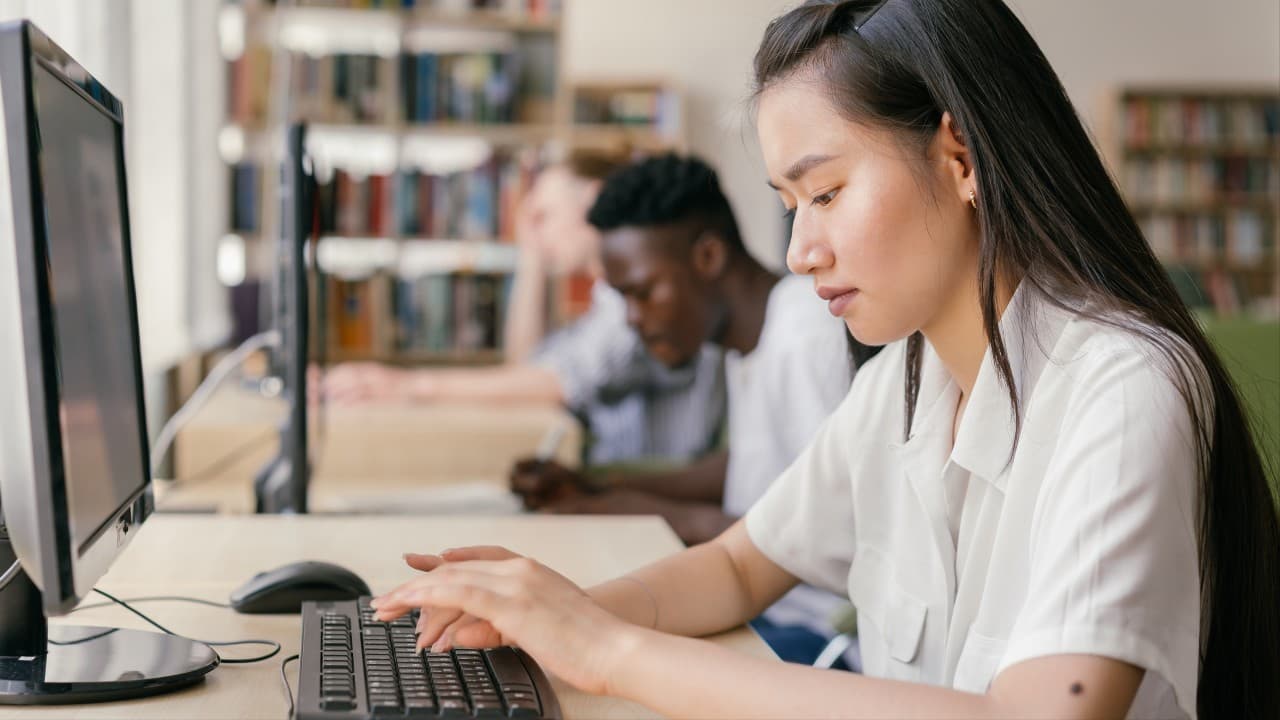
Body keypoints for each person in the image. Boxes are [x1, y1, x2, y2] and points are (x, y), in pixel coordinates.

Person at [370, 1, 1280, 718]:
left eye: (828, 192)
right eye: (790, 203)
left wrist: (609, 653)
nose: (802, 248)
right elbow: (736, 567)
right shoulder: (903, 383)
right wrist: (555, 614)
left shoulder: (1123, 388)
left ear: (960, 156)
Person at [509, 154, 866, 666]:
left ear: (708, 257)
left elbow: (824, 537)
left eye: (643, 292)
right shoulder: (747, 339)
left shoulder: (805, 337)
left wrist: (634, 509)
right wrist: (601, 486)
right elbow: (752, 469)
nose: (633, 318)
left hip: (818, 634)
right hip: (767, 610)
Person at [322, 152, 726, 465]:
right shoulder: (606, 302)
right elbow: (528, 365)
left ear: (596, 200)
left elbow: (557, 383)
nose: (532, 227)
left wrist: (407, 386)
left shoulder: (638, 303)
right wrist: (532, 255)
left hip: (646, 488)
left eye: (543, 214)